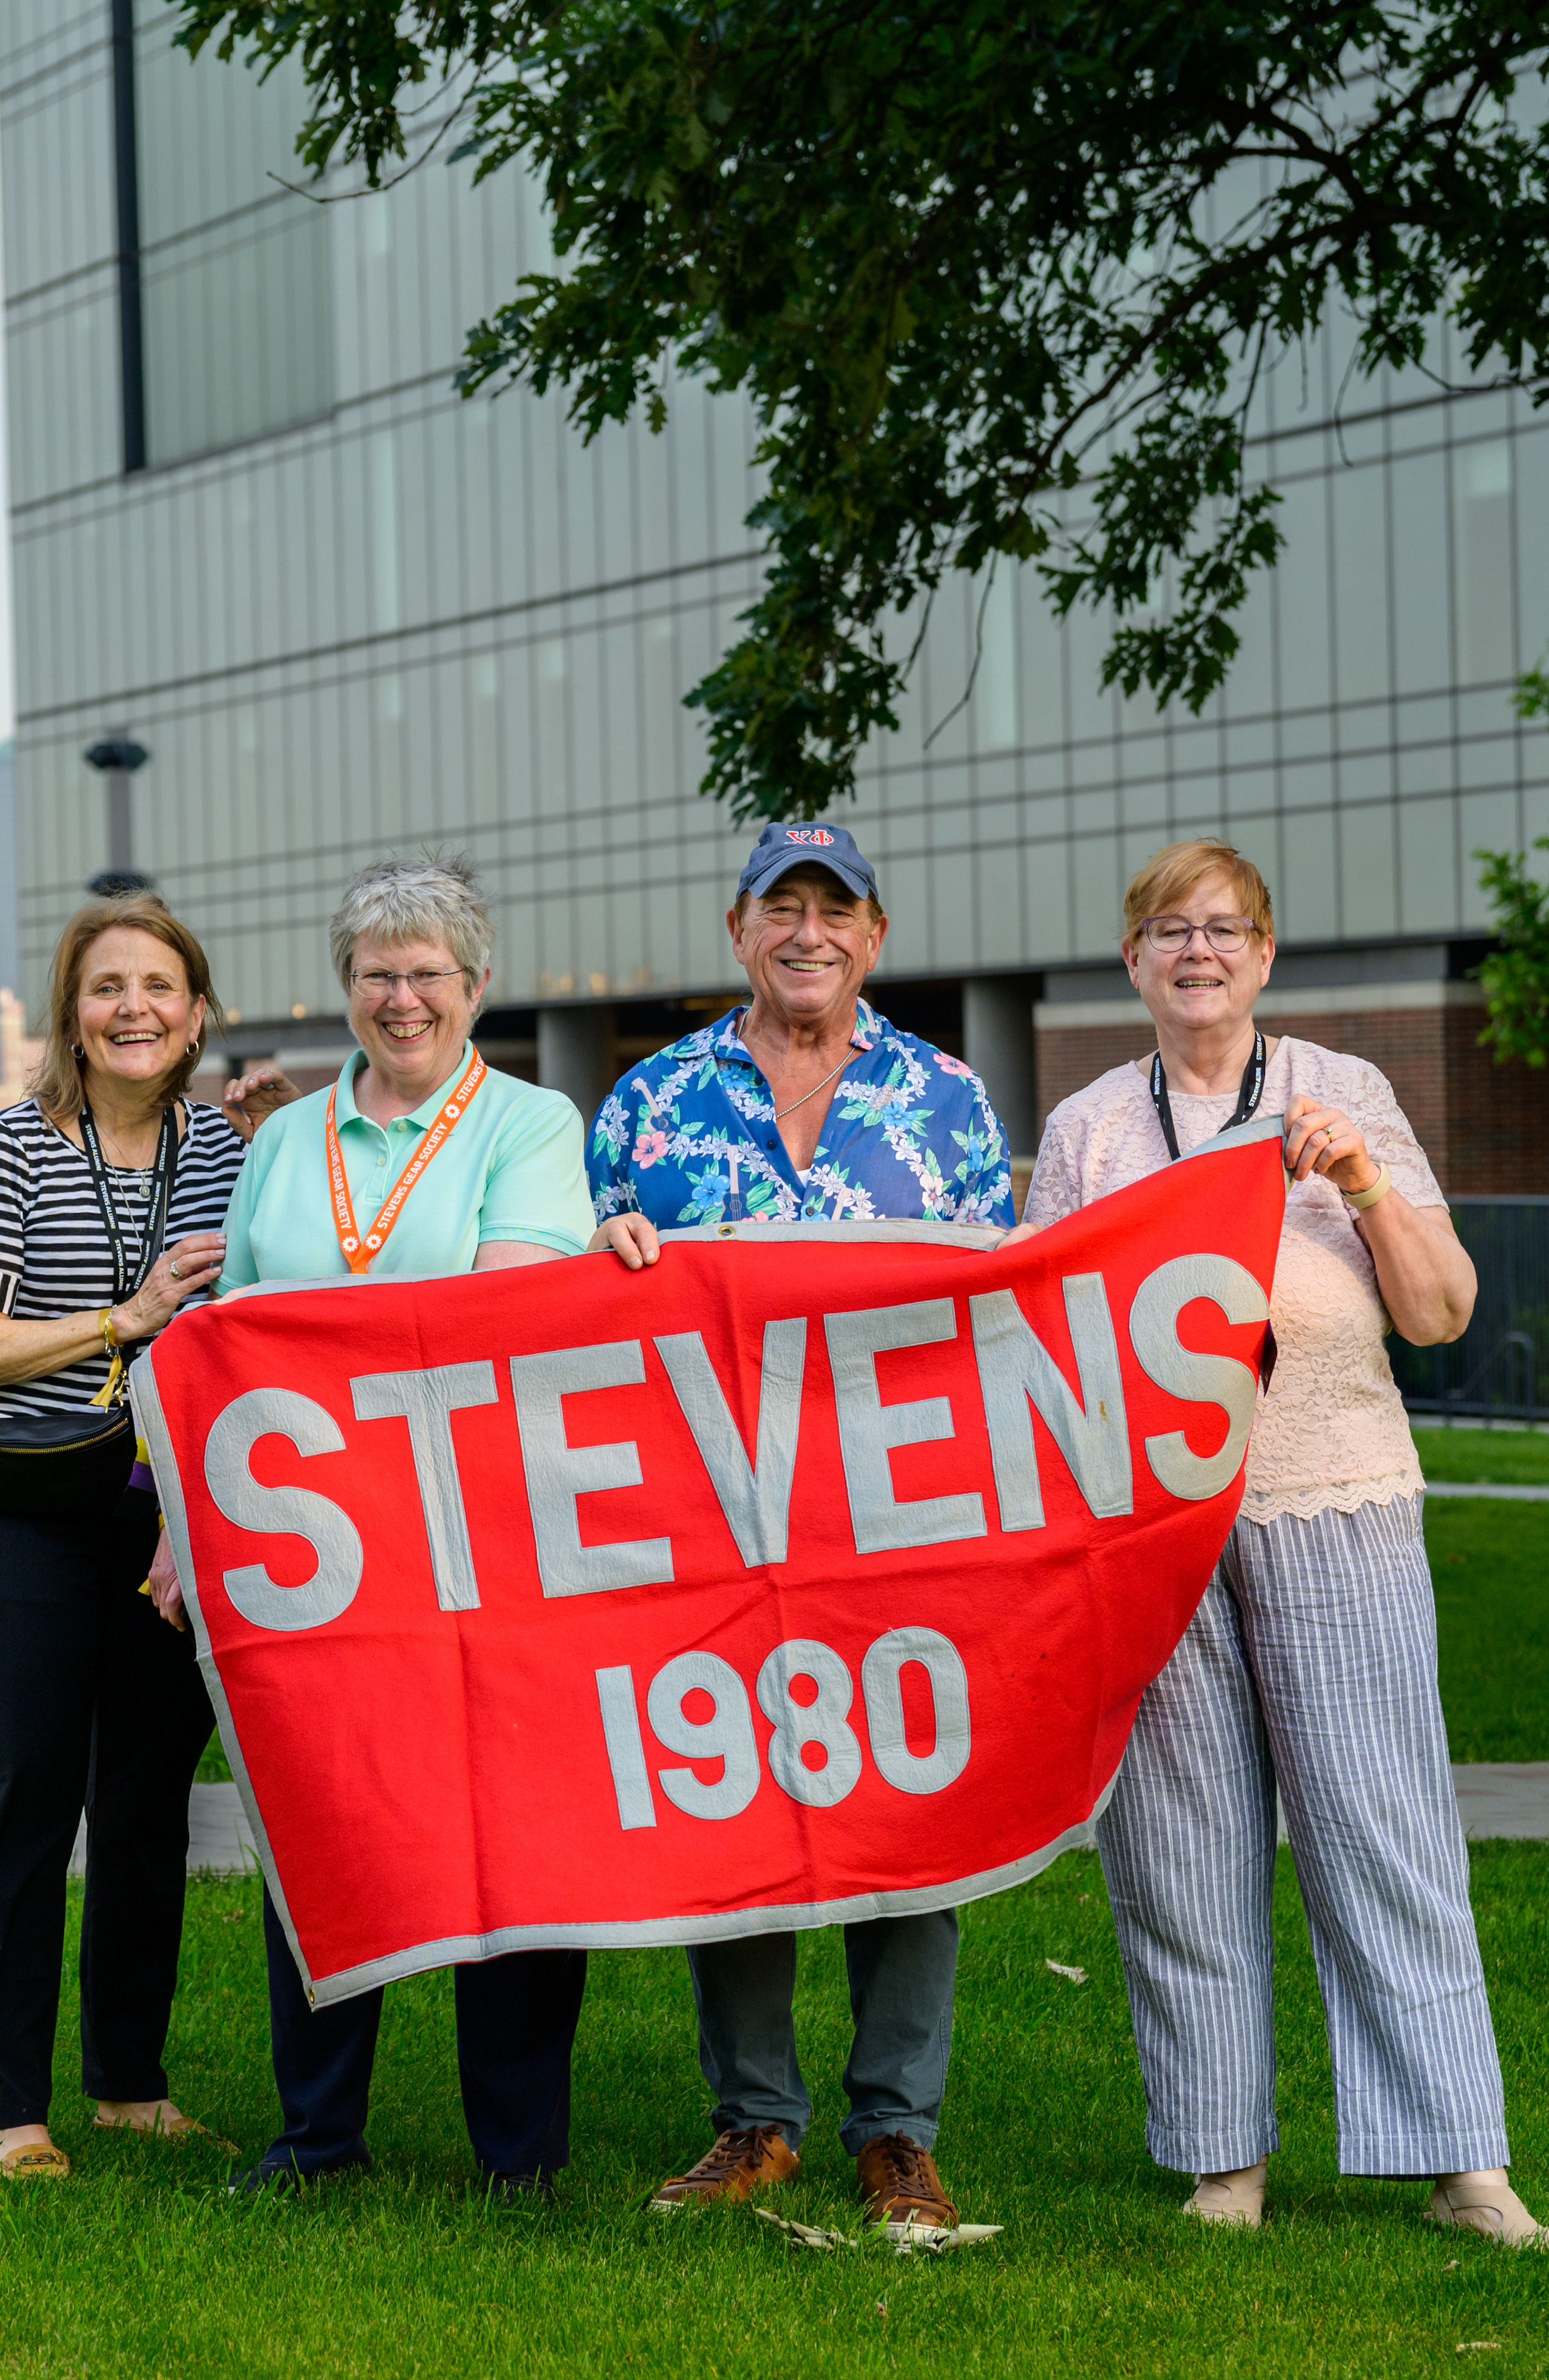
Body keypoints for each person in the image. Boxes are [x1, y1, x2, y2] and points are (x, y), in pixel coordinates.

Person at [1019, 838, 1549, 2253]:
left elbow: (1442, 1313)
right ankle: (1224, 2160)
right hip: (1154, 1538)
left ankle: (1461, 2161)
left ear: (1266, 958)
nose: (1196, 954)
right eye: (1168, 932)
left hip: (1338, 1503)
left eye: (1225, 931)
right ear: (1131, 962)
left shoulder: (1349, 1098)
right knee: (1180, 1842)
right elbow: (1030, 1347)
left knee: (1380, 1828)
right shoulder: (1089, 1131)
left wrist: (1367, 1186)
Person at [586, 819, 1012, 2236]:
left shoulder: (949, 1102)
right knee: (735, 1801)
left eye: (838, 910)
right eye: (786, 908)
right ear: (739, 929)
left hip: (897, 1524)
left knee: (905, 1810)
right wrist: (609, 1261)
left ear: (875, 937)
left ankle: (898, 2132)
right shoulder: (648, 1105)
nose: (810, 932)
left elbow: (1004, 1313)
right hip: (712, 1519)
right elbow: (581, 1319)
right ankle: (753, 2122)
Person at [162, 853, 604, 2199]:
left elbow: (499, 1320)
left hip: (485, 1541)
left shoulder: (532, 1127)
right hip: (306, 1554)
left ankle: (517, 2154)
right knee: (325, 1825)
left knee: (510, 1836)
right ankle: (317, 2136)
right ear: (344, 989)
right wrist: (185, 1526)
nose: (401, 1000)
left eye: (426, 975)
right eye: (376, 975)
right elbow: (224, 1345)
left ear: (476, 986)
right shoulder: (285, 1144)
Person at [0, 892, 252, 2181]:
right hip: (19, 1519)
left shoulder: (225, 1156)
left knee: (144, 1813)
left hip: (165, 1526)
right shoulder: (12, 1149)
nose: (135, 1009)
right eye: (108, 986)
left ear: (197, 1011)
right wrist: (119, 1322)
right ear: (73, 1012)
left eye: (159, 987)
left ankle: (128, 2085)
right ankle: (14, 2108)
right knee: (20, 1810)